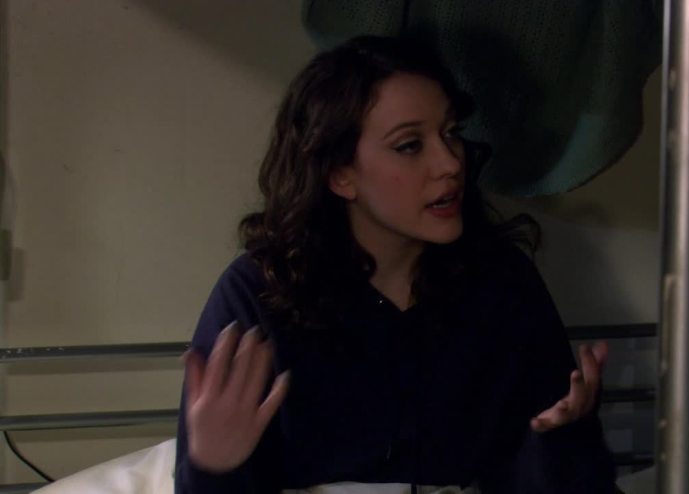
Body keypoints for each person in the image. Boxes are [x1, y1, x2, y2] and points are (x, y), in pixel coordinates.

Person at [175, 35, 616, 494]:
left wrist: (563, 442)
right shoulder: (259, 293)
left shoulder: (502, 282)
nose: (450, 163)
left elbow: (556, 479)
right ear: (340, 174)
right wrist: (213, 469)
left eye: (451, 132)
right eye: (409, 145)